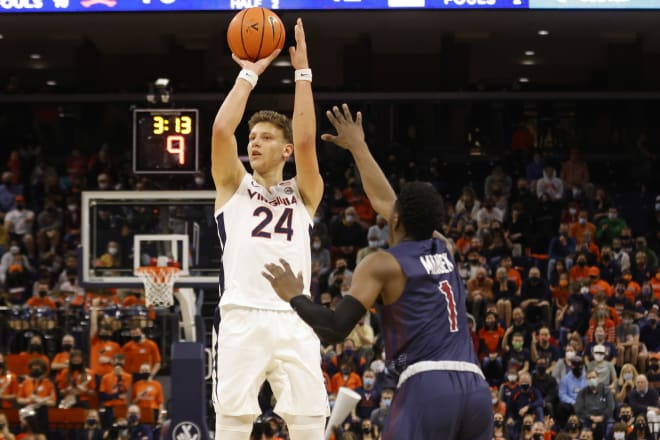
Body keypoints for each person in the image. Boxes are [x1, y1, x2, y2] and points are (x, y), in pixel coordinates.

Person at [262, 104, 492, 439]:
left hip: (427, 386)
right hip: (475, 389)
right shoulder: (445, 247)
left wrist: (294, 295)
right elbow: (388, 201)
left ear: (396, 220)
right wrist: (359, 147)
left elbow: (335, 329)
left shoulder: (382, 264)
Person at [210, 18, 327, 440]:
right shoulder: (232, 186)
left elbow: (309, 139)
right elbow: (222, 130)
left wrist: (302, 73)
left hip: (296, 317)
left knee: (311, 423)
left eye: (264, 137)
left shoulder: (304, 192)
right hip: (241, 315)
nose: (253, 143)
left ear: (286, 149)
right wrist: (249, 73)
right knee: (233, 425)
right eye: (252, 137)